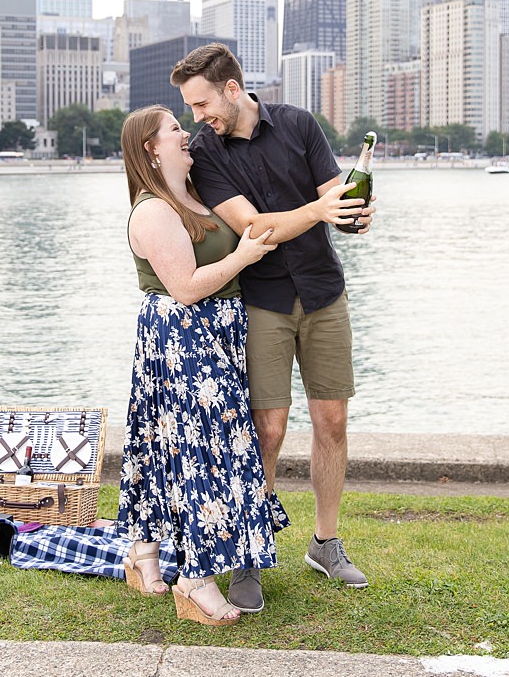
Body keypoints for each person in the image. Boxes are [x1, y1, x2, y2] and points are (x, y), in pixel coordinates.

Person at [171, 42, 375, 611]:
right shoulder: (206, 153)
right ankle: (247, 554)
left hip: (323, 291)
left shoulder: (300, 125)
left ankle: (325, 544)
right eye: (191, 106)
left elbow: (336, 199)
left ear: (232, 90)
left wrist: (354, 216)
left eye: (202, 102)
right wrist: (320, 211)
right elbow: (254, 229)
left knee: (331, 420)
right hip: (261, 301)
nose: (198, 116)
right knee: (268, 428)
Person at [116, 104, 287, 627]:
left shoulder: (188, 195)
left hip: (214, 334)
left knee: (163, 442)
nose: (185, 133)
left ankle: (143, 556)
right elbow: (186, 288)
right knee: (204, 452)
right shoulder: (152, 211)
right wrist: (243, 258)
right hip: (185, 338)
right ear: (152, 147)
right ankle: (195, 580)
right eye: (174, 129)